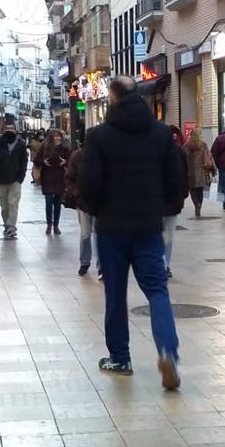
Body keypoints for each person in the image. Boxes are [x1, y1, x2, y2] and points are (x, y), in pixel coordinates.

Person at [80, 76, 185, 390]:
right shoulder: (160, 134)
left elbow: (89, 185)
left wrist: (97, 208)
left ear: (111, 97)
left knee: (115, 294)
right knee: (157, 291)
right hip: (148, 227)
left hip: (112, 229)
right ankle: (168, 352)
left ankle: (121, 358)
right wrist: (158, 206)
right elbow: (176, 181)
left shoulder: (98, 137)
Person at [0, 117, 29, 239]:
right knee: (4, 205)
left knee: (13, 204)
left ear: (16, 130)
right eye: (7, 128)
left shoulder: (21, 145)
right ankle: (6, 224)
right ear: (4, 130)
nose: (9, 130)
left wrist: (21, 177)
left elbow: (24, 162)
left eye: (12, 128)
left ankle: (12, 226)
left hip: (15, 179)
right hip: (1, 179)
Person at [64, 144, 99, 276]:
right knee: (85, 234)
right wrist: (76, 193)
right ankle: (85, 261)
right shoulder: (77, 156)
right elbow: (69, 177)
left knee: (99, 233)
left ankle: (101, 265)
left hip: (99, 201)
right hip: (83, 201)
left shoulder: (104, 155)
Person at [34, 128, 69, 235]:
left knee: (58, 203)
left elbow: (71, 161)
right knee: (49, 202)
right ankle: (49, 225)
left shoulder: (65, 148)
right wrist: (43, 161)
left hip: (59, 178)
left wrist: (65, 161)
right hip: (48, 177)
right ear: (51, 137)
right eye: (55, 136)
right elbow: (36, 159)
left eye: (59, 136)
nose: (57, 138)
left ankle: (56, 225)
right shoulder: (45, 147)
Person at [183, 130, 215, 217]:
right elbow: (209, 158)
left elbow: (181, 160)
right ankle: (199, 205)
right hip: (201, 173)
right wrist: (213, 170)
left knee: (192, 191)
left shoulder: (186, 146)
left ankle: (196, 204)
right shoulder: (203, 145)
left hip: (190, 173)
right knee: (200, 191)